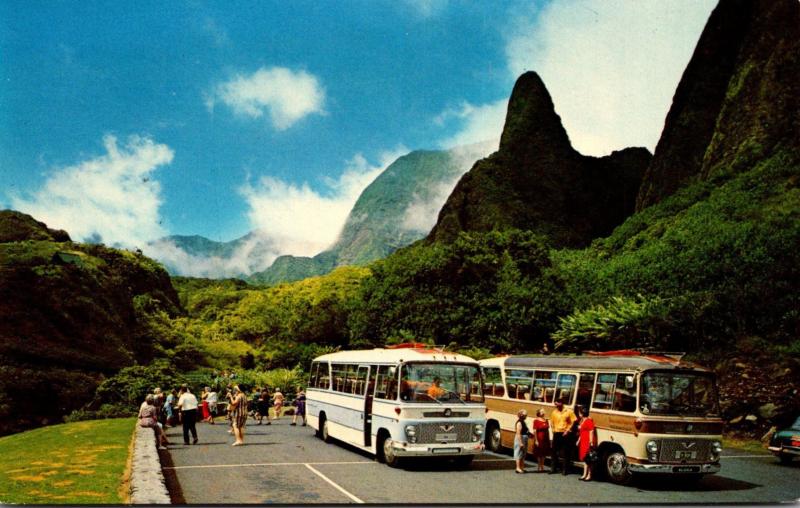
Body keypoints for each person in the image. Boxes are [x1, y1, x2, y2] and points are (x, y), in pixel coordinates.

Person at [549, 398, 576, 475]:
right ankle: (553, 468)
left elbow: (573, 421)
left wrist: (568, 430)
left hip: (565, 433)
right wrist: (553, 430)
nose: (556, 406)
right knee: (554, 451)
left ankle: (565, 470)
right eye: (555, 405)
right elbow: (552, 422)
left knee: (566, 452)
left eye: (557, 404)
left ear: (561, 403)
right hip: (557, 433)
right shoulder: (554, 412)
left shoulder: (569, 411)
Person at [576, 405, 598, 481]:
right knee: (585, 459)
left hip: (587, 441)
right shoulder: (582, 421)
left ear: (582, 414)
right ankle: (584, 474)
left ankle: (589, 475)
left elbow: (591, 431)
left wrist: (591, 442)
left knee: (589, 459)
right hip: (583, 441)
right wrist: (578, 440)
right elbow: (581, 432)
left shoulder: (588, 421)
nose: (579, 414)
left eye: (579, 413)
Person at [513, 409, 530, 474]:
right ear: (521, 415)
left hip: (524, 438)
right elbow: (518, 433)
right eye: (525, 415)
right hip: (520, 438)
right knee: (518, 453)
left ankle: (522, 467)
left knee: (523, 454)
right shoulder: (519, 422)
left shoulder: (523, 422)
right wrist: (520, 443)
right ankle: (517, 468)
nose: (526, 416)